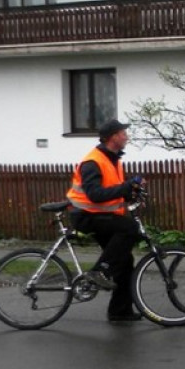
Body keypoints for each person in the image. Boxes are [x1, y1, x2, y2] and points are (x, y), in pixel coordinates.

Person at [65, 119, 145, 322]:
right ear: (113, 137)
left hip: (100, 215)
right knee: (129, 228)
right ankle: (99, 272)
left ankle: (120, 311)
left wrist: (131, 193)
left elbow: (112, 191)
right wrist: (126, 186)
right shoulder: (93, 162)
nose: (127, 137)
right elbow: (95, 195)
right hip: (85, 215)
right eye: (123, 133)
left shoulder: (113, 160)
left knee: (125, 260)